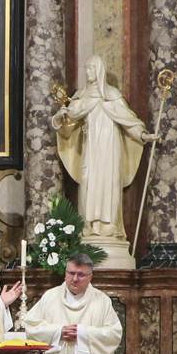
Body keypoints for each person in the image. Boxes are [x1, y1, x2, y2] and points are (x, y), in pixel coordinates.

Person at [54, 57, 152, 243]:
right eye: (87, 68)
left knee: (109, 183)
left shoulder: (112, 94)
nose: (87, 72)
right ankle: (88, 226)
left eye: (91, 68)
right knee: (88, 181)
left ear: (100, 70)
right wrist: (60, 118)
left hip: (110, 148)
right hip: (91, 147)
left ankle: (109, 226)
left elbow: (128, 120)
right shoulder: (81, 96)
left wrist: (142, 135)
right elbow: (68, 124)